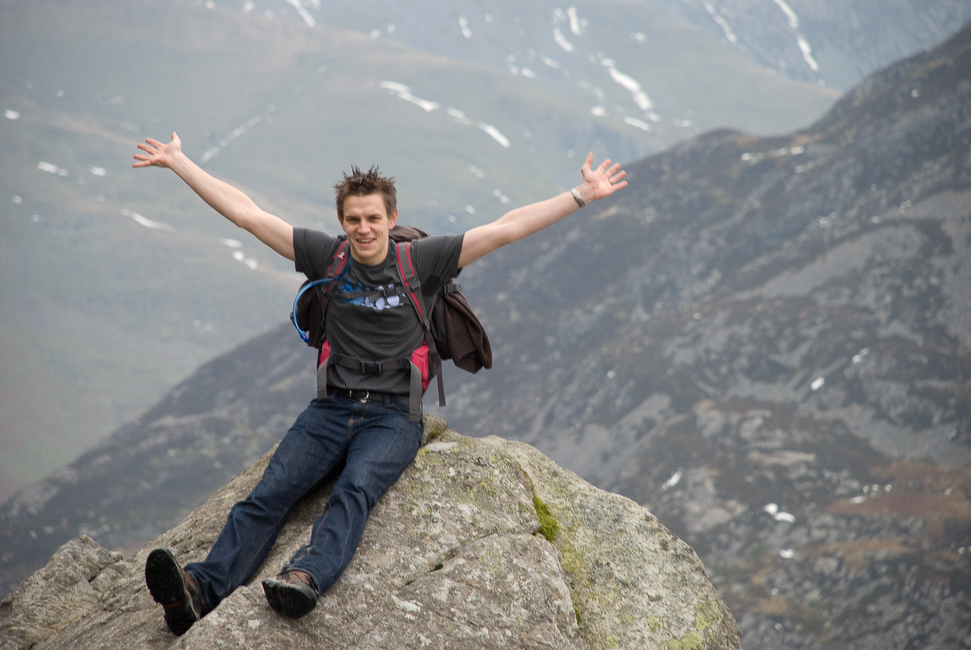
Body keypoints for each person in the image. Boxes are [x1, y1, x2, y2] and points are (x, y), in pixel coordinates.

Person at [132, 132, 626, 635]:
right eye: (353, 219)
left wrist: (581, 194)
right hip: (330, 408)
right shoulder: (327, 256)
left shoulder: (422, 261)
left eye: (372, 218)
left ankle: (306, 576)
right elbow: (246, 214)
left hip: (394, 416)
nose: (363, 229)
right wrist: (179, 162)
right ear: (341, 221)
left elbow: (505, 229)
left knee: (356, 488)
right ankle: (197, 590)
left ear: (392, 218)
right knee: (270, 493)